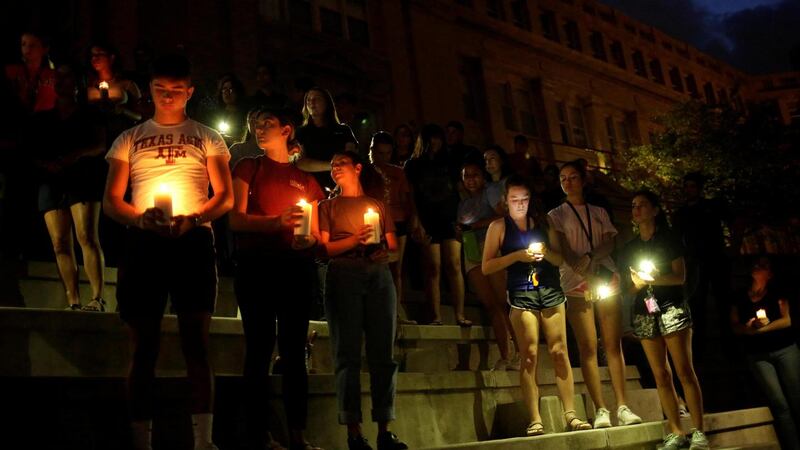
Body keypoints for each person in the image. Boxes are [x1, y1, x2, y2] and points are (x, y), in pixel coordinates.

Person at [103, 53, 233, 450]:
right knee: (144, 345)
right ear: (151, 91)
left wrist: (194, 218)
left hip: (192, 242)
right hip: (144, 245)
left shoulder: (208, 136)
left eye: (177, 91)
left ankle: (204, 440)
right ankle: (141, 440)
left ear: (190, 92)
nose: (169, 97)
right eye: (161, 90)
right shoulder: (130, 138)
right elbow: (111, 199)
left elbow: (225, 195)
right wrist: (141, 219)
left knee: (196, 341)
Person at [229, 106, 324, 450]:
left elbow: (313, 232)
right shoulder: (248, 167)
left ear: (287, 130)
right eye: (255, 123)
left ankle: (298, 432)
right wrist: (275, 223)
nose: (259, 127)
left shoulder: (309, 183)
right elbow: (236, 220)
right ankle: (258, 434)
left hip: (295, 270)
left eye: (268, 122)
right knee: (258, 348)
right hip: (256, 267)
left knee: (294, 352)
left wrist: (308, 239)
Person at [482, 175, 591, 435]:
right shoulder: (498, 227)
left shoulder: (545, 223)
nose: (520, 204)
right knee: (529, 354)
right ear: (505, 201)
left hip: (550, 289)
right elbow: (487, 266)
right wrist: (518, 256)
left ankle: (571, 413)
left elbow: (558, 259)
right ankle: (535, 418)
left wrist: (544, 252)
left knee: (559, 351)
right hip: (521, 291)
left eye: (524, 199)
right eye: (514, 200)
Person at [318, 150, 407, 450]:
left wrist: (386, 253)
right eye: (332, 165)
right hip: (343, 273)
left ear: (357, 168)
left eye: (340, 163)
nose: (334, 169)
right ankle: (353, 431)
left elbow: (393, 247)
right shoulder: (327, 206)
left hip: (378, 275)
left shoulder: (377, 206)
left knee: (383, 352)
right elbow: (326, 248)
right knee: (347, 352)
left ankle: (385, 428)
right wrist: (356, 240)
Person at [548, 160, 642, 429]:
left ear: (583, 180)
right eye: (563, 177)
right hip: (575, 282)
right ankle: (600, 408)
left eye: (573, 177)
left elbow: (610, 241)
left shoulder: (598, 211)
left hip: (604, 275)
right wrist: (584, 270)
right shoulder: (556, 214)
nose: (568, 182)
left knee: (612, 344)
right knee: (588, 346)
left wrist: (591, 258)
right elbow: (563, 249)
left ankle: (622, 405)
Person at [622, 190, 708, 450]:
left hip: (672, 308)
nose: (636, 209)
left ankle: (698, 430)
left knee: (684, 370)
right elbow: (628, 288)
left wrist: (654, 279)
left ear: (655, 210)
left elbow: (680, 276)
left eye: (642, 205)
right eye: (633, 205)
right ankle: (675, 430)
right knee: (661, 374)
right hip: (645, 312)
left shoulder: (670, 240)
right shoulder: (630, 247)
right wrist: (637, 284)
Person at [27, 63, 107, 311]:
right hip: (52, 180)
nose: (61, 84)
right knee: (60, 242)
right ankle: (73, 299)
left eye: (66, 78)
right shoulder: (44, 118)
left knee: (86, 236)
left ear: (76, 83)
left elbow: (100, 144)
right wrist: (47, 164)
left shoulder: (87, 114)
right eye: (57, 79)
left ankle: (97, 297)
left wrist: (77, 155)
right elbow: (31, 150)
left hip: (81, 179)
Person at [404, 124, 470, 326]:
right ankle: (436, 315)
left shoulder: (450, 162)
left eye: (438, 138)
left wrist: (464, 218)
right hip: (427, 218)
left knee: (454, 264)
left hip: (450, 216)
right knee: (432, 267)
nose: (436, 142)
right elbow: (411, 194)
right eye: (432, 138)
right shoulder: (413, 165)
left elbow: (460, 189)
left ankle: (459, 314)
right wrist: (416, 220)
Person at [730, 256, 799, 450]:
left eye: (763, 266)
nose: (757, 268)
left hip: (785, 349)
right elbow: (735, 325)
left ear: (770, 274)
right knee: (780, 404)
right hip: (758, 355)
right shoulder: (740, 296)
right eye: (756, 265)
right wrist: (749, 328)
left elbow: (787, 320)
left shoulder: (777, 293)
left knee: (796, 398)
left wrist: (764, 329)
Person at [458, 162, 517, 369]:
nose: (471, 180)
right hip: (472, 251)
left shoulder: (491, 193)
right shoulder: (464, 205)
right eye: (466, 176)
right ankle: (505, 356)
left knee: (503, 301)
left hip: (490, 246)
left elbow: (505, 215)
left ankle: (520, 352)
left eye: (475, 175)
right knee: (491, 305)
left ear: (482, 177)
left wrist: (476, 225)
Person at [369, 131, 427, 324]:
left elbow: (408, 197)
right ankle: (376, 308)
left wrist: (414, 219)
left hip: (398, 222)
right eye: (379, 153)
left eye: (386, 153)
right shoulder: (365, 172)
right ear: (372, 151)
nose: (382, 157)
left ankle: (396, 311)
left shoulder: (398, 172)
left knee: (396, 268)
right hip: (373, 222)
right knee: (375, 264)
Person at [672, 172, 732, 346]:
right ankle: (700, 342)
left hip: (716, 257)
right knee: (698, 300)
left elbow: (733, 221)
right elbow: (677, 238)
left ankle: (727, 339)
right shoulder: (681, 213)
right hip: (695, 261)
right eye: (687, 186)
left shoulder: (712, 206)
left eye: (692, 186)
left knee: (722, 299)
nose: (689, 190)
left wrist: (731, 247)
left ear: (698, 188)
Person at [295, 87, 358, 194]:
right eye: (308, 100)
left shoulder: (343, 130)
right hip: (310, 188)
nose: (312, 102)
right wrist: (333, 166)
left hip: (339, 187)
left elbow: (350, 158)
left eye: (317, 99)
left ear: (327, 103)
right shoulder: (301, 132)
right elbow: (300, 162)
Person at [85, 42, 143, 125]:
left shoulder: (127, 84)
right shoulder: (88, 85)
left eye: (99, 54)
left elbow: (140, 116)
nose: (94, 58)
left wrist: (122, 110)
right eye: (92, 55)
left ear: (111, 58)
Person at [4, 31, 56, 115]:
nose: (27, 49)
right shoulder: (11, 71)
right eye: (23, 44)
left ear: (44, 49)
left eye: (32, 45)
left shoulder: (52, 75)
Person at [483, 145, 512, 214]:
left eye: (492, 158)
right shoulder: (485, 185)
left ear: (501, 160)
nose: (488, 162)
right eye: (485, 160)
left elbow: (503, 212)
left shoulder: (510, 181)